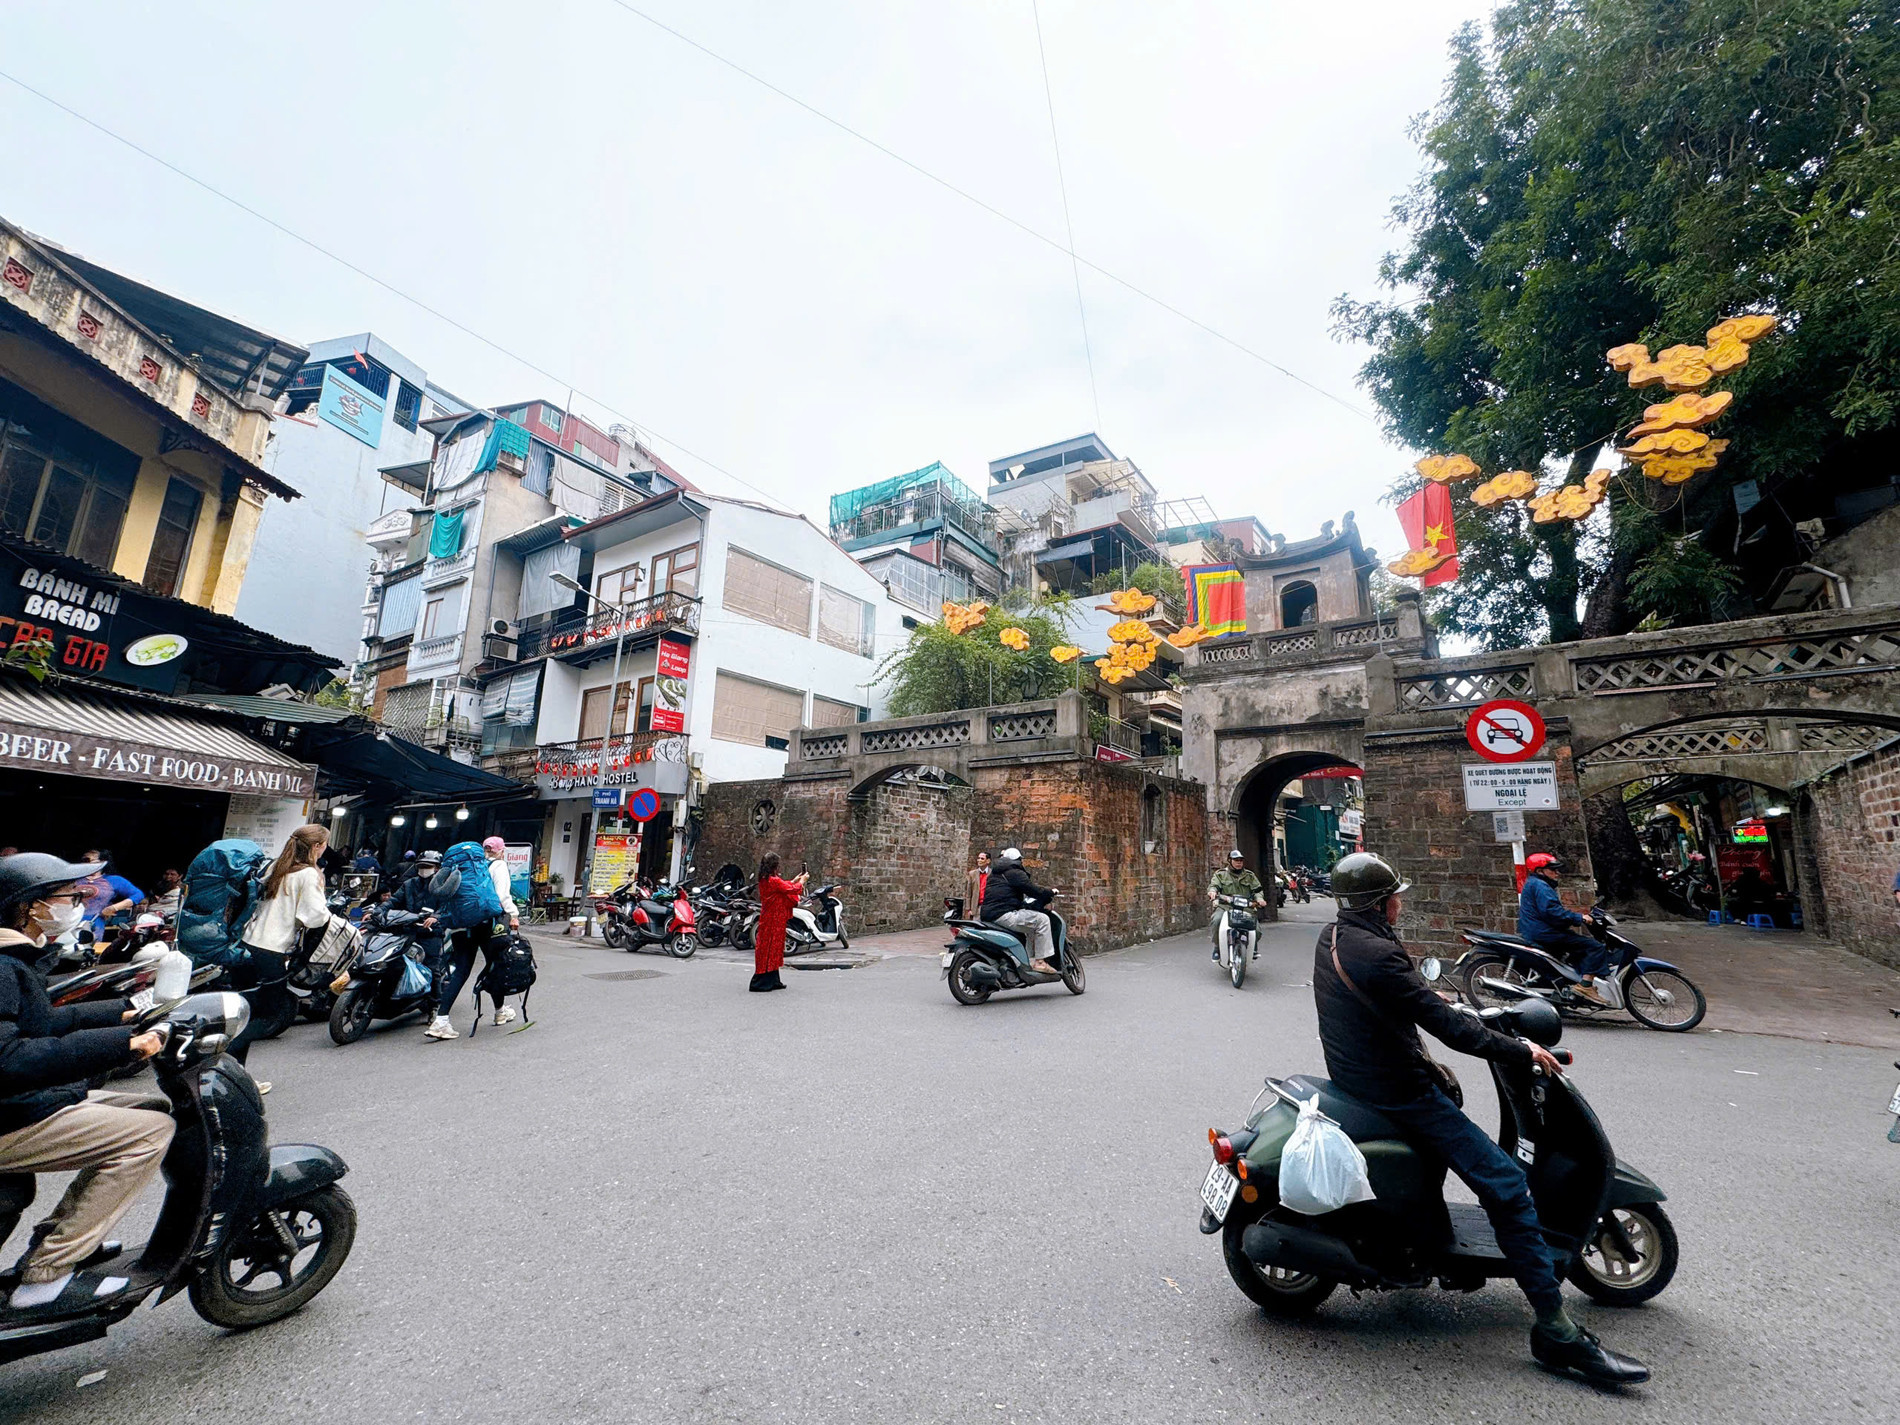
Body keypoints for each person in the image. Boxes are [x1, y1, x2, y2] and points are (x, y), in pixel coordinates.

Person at [1316, 851, 1647, 1385]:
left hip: (1361, 1076)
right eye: (1395, 896)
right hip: (1398, 1091)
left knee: (1451, 1134)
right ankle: (1556, 1331)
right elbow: (1451, 1031)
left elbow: (1401, 999)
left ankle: (1434, 1245)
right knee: (1508, 1186)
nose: (1401, 903)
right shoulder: (1377, 953)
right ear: (1379, 903)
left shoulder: (1335, 936)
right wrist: (1521, 1050)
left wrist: (1430, 998)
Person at [0, 853, 170, 1314]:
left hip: (16, 1102)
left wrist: (125, 1015)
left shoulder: (14, 959)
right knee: (150, 1134)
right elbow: (9, 1058)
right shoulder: (3, 967)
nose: (78, 904)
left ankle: (63, 1239)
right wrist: (125, 1046)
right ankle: (46, 1275)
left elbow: (44, 1022)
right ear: (29, 907)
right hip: (9, 1111)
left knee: (150, 1109)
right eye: (70, 897)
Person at [230, 825, 332, 1089]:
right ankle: (224, 1057)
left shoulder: (276, 866)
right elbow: (315, 917)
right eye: (324, 845)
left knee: (245, 1011)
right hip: (270, 950)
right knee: (266, 1015)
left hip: (246, 944)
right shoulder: (307, 874)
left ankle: (235, 1076)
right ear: (316, 847)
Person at [425, 838, 519, 1039]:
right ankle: (500, 1012)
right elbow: (501, 896)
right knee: (494, 966)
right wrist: (513, 914)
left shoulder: (460, 865)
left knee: (461, 971)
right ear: (501, 851)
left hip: (459, 923)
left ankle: (441, 1020)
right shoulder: (497, 865)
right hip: (485, 923)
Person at [1517, 854, 1613, 1005]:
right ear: (1540, 871)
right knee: (1594, 947)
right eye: (1552, 869)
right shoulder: (1541, 886)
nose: (1557, 873)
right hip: (1545, 933)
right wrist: (1579, 918)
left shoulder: (1535, 883)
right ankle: (1586, 986)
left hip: (1538, 930)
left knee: (1574, 947)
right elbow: (1552, 912)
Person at [977, 847, 1058, 976]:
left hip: (988, 914)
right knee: (1042, 920)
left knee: (1028, 923)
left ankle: (1025, 961)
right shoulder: (1014, 872)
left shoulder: (995, 873)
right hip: (1004, 914)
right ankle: (1040, 962)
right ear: (1018, 860)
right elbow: (1032, 890)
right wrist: (1050, 892)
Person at [751, 853, 805, 993]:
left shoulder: (766, 879)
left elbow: (784, 885)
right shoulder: (772, 880)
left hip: (773, 917)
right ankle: (762, 981)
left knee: (773, 947)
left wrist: (794, 880)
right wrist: (802, 881)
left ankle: (773, 979)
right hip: (773, 919)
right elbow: (792, 889)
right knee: (770, 948)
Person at [391, 850, 448, 982]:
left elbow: (446, 906)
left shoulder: (443, 886)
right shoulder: (409, 884)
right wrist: (375, 912)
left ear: (437, 868)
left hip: (431, 933)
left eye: (428, 866)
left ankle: (435, 995)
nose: (424, 869)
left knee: (432, 968)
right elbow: (393, 901)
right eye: (421, 866)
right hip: (408, 930)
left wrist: (435, 917)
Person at [1208, 849, 1267, 962]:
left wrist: (1259, 899)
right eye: (1236, 860)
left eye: (1240, 860)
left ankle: (1253, 947)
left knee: (1257, 930)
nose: (1239, 862)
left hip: (1245, 907)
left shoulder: (1250, 876)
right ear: (1229, 861)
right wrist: (1212, 892)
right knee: (1216, 920)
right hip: (1226, 906)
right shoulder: (1221, 874)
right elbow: (1214, 885)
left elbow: (1258, 890)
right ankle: (1217, 947)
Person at [76, 851, 141, 936]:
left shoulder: (113, 880)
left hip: (93, 924)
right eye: (85, 860)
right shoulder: (73, 880)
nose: (88, 863)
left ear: (103, 862)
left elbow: (138, 895)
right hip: (68, 922)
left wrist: (113, 908)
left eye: (92, 860)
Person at [963, 850, 990, 920]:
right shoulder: (972, 874)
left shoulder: (992, 874)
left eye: (982, 858)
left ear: (988, 861)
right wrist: (968, 909)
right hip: (976, 907)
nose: (979, 860)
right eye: (978, 858)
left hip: (988, 906)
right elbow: (968, 893)